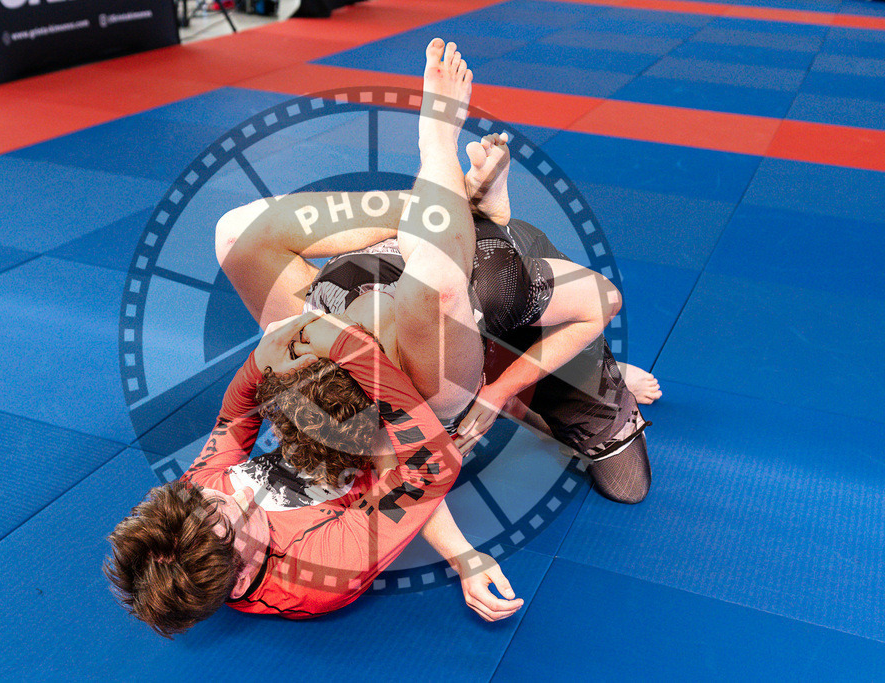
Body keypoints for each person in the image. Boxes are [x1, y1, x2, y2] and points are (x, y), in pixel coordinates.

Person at [214, 40, 653, 505]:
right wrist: (497, 395)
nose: (371, 308)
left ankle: (461, 205)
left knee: (235, 236)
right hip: (459, 306)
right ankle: (462, 216)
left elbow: (601, 301)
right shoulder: (431, 373)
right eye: (375, 325)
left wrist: (437, 135)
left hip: (469, 261)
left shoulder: (306, 333)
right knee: (628, 486)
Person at [106, 311, 463, 632]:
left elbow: (232, 419)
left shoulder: (193, 510)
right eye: (237, 514)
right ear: (242, 578)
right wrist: (350, 348)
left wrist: (260, 362)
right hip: (394, 437)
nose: (242, 493)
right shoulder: (323, 568)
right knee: (400, 313)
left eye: (208, 495)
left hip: (325, 412)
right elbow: (429, 467)